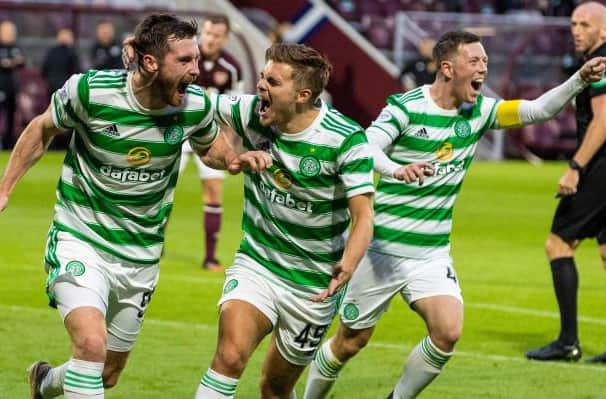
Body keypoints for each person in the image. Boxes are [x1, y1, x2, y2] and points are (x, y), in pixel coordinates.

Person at [302, 30, 606, 399]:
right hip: (381, 250)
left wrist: (579, 80)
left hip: (431, 254)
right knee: (350, 341)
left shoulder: (480, 111)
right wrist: (395, 170)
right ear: (448, 68)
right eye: (475, 61)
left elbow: (538, 109)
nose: (483, 67)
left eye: (485, 61)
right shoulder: (405, 107)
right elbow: (366, 148)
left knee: (448, 331)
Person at [0, 14, 269, 399]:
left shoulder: (194, 106)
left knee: (107, 372)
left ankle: (45, 383)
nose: (196, 70)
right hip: (81, 237)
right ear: (150, 62)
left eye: (196, 59)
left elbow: (211, 146)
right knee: (91, 345)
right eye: (185, 61)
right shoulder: (91, 92)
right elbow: (43, 128)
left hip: (140, 255)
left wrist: (234, 160)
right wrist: (5, 188)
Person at [194, 43, 375, 399]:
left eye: (273, 82)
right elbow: (189, 100)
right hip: (257, 265)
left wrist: (348, 266)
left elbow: (364, 215)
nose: (261, 85)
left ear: (302, 95)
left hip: (313, 285)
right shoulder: (248, 112)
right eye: (263, 76)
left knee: (275, 387)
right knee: (229, 357)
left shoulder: (345, 138)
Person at [526, 1, 606, 365]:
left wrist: (575, 167)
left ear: (604, 29)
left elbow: (603, 120)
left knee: (558, 245)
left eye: (586, 24)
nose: (577, 30)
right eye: (574, 23)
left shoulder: (601, 62)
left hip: (603, 168)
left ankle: (567, 342)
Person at [180, 14, 244, 272]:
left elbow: (235, 108)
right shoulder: (184, 58)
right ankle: (152, 241)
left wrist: (230, 140)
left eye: (216, 35)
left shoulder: (231, 68)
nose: (210, 39)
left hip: (211, 136)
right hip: (179, 133)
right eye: (207, 33)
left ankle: (210, 257)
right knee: (162, 188)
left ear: (225, 38)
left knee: (214, 192)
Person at [0, 20, 25, 150]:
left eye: (11, 31)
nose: (9, 34)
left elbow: (21, 62)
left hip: (12, 88)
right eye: (6, 31)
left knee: (11, 117)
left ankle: (8, 145)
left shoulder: (15, 47)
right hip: (1, 86)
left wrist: (9, 63)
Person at [41, 28, 81, 97]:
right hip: (67, 88)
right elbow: (76, 72)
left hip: (52, 87)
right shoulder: (72, 53)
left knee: (53, 105)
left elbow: (44, 71)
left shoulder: (51, 52)